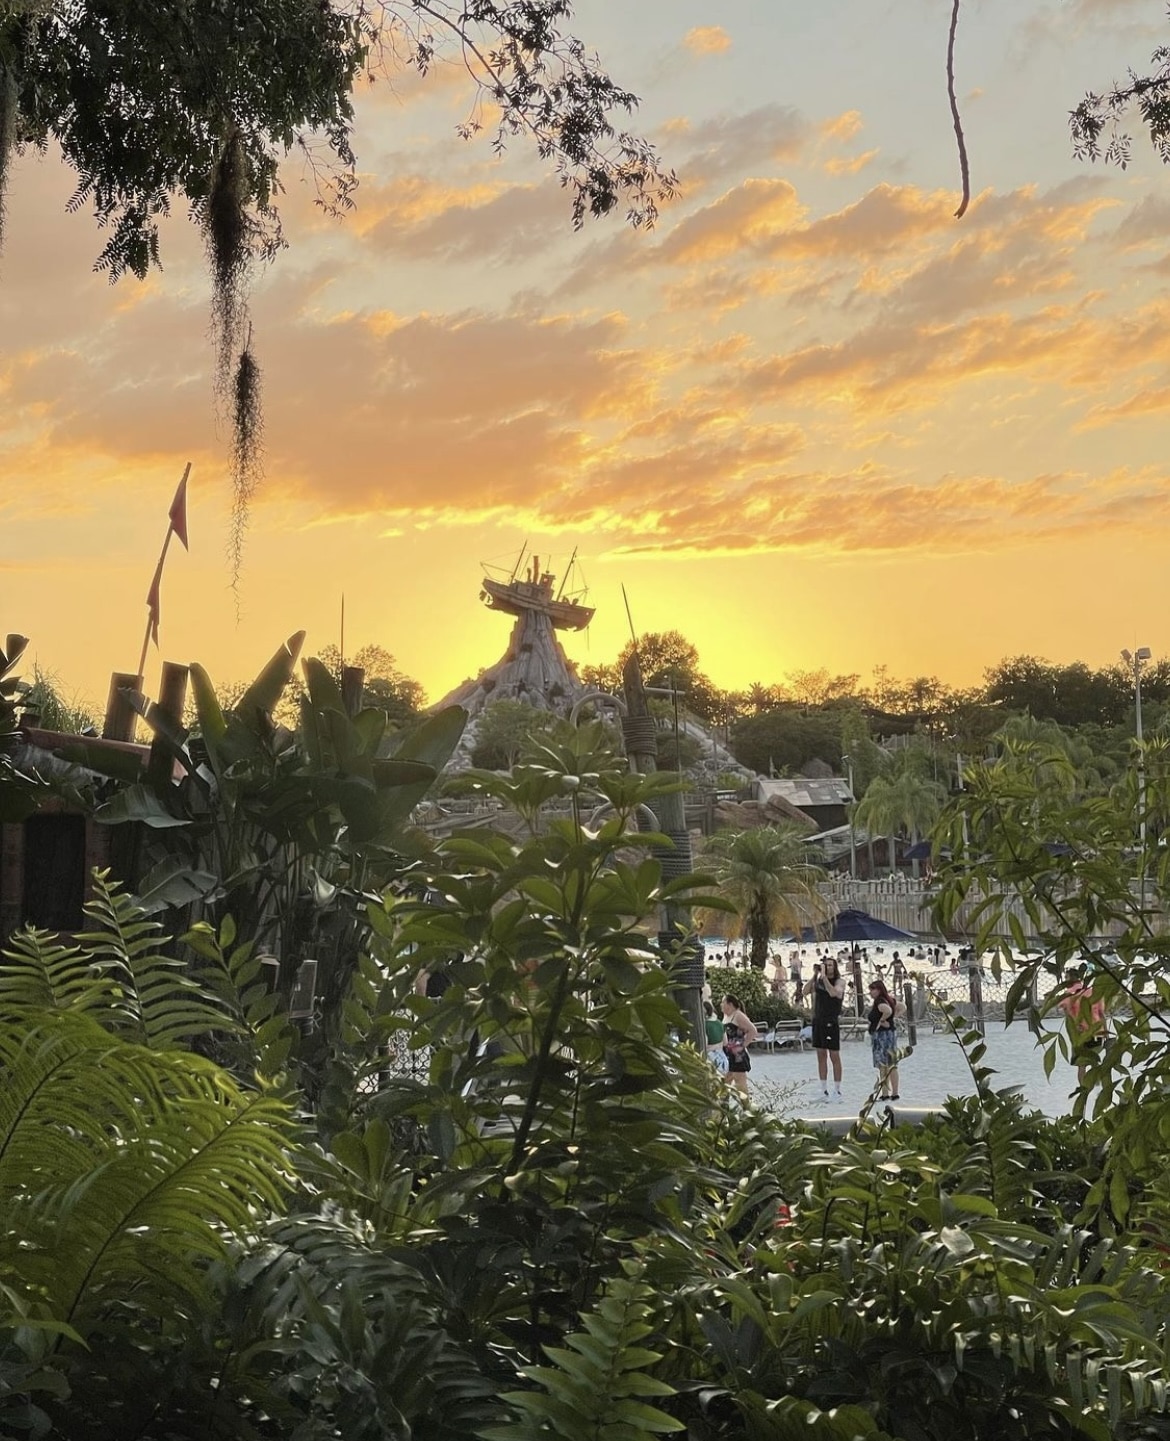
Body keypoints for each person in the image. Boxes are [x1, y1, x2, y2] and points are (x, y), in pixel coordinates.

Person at [805, 955, 846, 1100]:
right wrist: (815, 975)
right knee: (820, 1055)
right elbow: (805, 991)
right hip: (818, 1020)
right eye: (825, 965)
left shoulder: (839, 981)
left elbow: (834, 992)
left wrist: (824, 978)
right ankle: (823, 1088)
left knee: (834, 1055)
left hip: (831, 1021)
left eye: (830, 965)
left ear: (834, 967)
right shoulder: (819, 980)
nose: (827, 967)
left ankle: (837, 1089)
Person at [1059, 970, 1107, 1084]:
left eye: (1066, 978)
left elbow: (1066, 1011)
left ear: (1070, 978)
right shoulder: (1093, 991)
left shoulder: (1070, 993)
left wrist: (1076, 1025)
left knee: (1082, 1064)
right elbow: (1101, 1013)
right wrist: (1106, 1031)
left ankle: (1083, 1090)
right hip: (1096, 1030)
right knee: (1094, 1060)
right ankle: (1097, 1087)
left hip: (1080, 1033)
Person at [867, 979, 900, 1100]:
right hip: (890, 1034)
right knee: (891, 1064)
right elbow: (902, 1007)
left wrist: (882, 1021)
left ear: (878, 990)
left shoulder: (880, 1001)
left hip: (882, 1036)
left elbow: (887, 1010)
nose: (870, 993)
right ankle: (894, 1093)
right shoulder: (889, 999)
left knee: (883, 1065)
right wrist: (892, 1019)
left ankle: (885, 1093)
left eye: (872, 990)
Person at [721, 993, 758, 1096]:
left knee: (741, 1086)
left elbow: (753, 1031)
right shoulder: (726, 1016)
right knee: (725, 1083)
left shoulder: (738, 1015)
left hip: (737, 1056)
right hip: (727, 1055)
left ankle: (747, 1109)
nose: (721, 1005)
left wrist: (742, 1045)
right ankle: (723, 1108)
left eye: (723, 1002)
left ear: (730, 1004)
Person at [704, 1000, 729, 1074]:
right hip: (722, 1058)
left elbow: (704, 1044)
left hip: (711, 1059)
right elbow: (725, 1043)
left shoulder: (705, 1026)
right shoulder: (720, 1023)